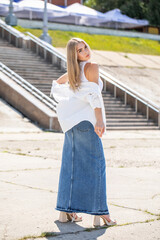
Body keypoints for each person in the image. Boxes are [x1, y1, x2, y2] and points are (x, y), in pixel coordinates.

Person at [50, 37, 117, 226]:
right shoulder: (92, 67)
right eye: (80, 50)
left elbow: (57, 83)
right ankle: (101, 214)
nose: (86, 51)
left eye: (85, 47)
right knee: (97, 167)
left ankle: (65, 211)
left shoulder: (74, 71)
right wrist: (100, 120)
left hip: (70, 125)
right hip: (86, 123)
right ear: (75, 55)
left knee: (70, 167)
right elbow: (94, 95)